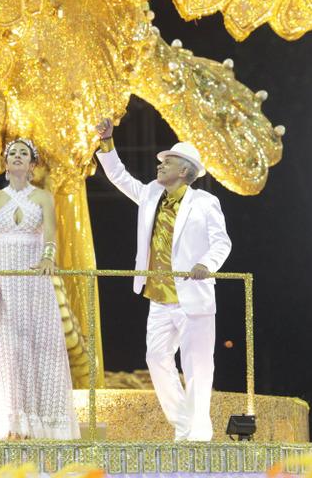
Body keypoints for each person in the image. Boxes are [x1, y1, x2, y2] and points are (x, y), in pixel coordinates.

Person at [95, 118, 232, 442]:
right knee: (156, 359)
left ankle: (196, 435)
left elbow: (222, 242)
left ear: (184, 171)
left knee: (198, 367)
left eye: (166, 162)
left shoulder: (204, 203)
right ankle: (185, 425)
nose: (160, 166)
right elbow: (118, 176)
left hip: (192, 296)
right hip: (158, 295)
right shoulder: (151, 195)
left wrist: (205, 264)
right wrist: (107, 142)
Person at [0, 138, 80, 440]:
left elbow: (51, 236)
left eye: (23, 154)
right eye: (12, 153)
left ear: (32, 164)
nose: (17, 157)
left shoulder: (43, 197)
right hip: (5, 280)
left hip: (34, 280)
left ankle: (43, 423)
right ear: (6, 163)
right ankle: (13, 422)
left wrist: (47, 258)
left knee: (38, 345)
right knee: (9, 349)